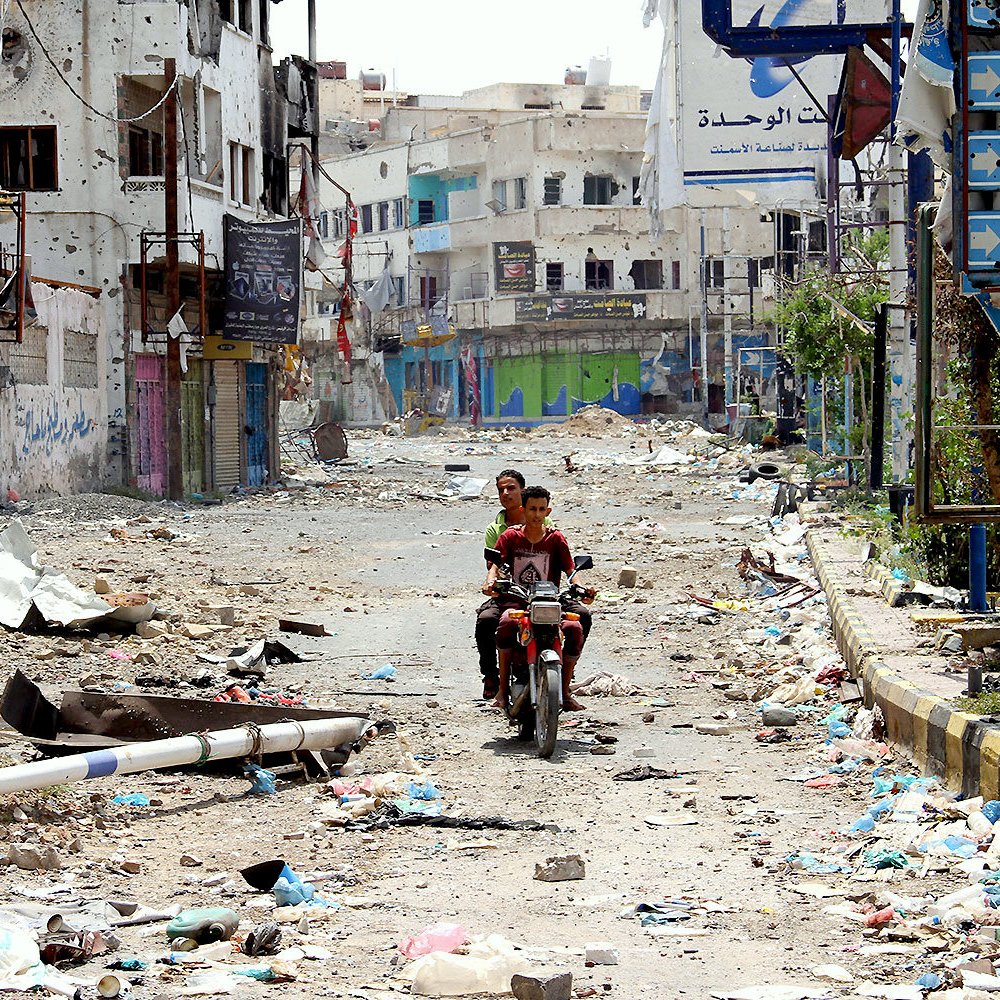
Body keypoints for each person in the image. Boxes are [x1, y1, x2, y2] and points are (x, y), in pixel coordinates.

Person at [485, 486, 590, 712]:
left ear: (548, 511)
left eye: (541, 509)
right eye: (532, 509)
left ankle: (564, 688)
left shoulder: (556, 538)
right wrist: (490, 581)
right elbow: (495, 564)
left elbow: (571, 569)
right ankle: (502, 691)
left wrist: (582, 588)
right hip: (517, 599)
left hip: (550, 601)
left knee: (575, 626)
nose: (536, 514)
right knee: (505, 623)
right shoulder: (510, 536)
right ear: (523, 510)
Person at [475, 469, 551, 699]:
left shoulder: (547, 526)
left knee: (573, 621)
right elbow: (494, 566)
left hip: (543, 592)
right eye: (501, 490)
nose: (506, 494)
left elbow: (559, 559)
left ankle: (562, 679)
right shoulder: (498, 531)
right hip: (510, 591)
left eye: (511, 488)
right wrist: (493, 582)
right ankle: (491, 675)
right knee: (487, 621)